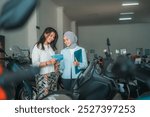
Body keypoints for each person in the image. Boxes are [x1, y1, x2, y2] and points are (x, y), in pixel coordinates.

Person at [32, 27, 59, 99]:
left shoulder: (50, 47)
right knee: (44, 97)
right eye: (51, 36)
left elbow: (53, 60)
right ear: (45, 34)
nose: (52, 38)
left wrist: (56, 64)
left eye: (54, 37)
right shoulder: (38, 46)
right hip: (43, 76)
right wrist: (49, 62)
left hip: (53, 75)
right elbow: (35, 64)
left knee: (52, 97)